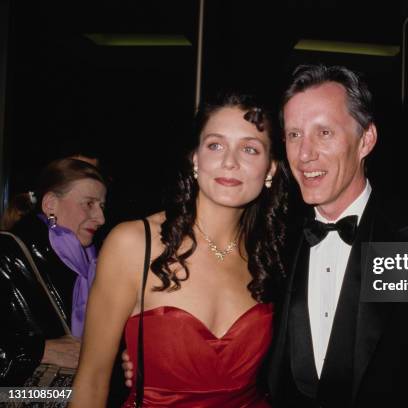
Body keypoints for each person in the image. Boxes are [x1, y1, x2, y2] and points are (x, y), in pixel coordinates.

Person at [263, 64, 408, 407]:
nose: (304, 153)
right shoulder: (276, 241)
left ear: (366, 140)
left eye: (324, 133)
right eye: (294, 134)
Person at [70, 92, 288, 407]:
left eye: (250, 149)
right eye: (215, 145)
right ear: (195, 159)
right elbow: (90, 382)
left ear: (270, 169)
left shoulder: (275, 255)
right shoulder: (134, 243)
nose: (230, 161)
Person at [0, 158, 107, 385]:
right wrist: (40, 350)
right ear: (50, 205)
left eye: (102, 206)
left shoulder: (90, 264)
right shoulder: (7, 252)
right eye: (89, 204)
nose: (101, 218)